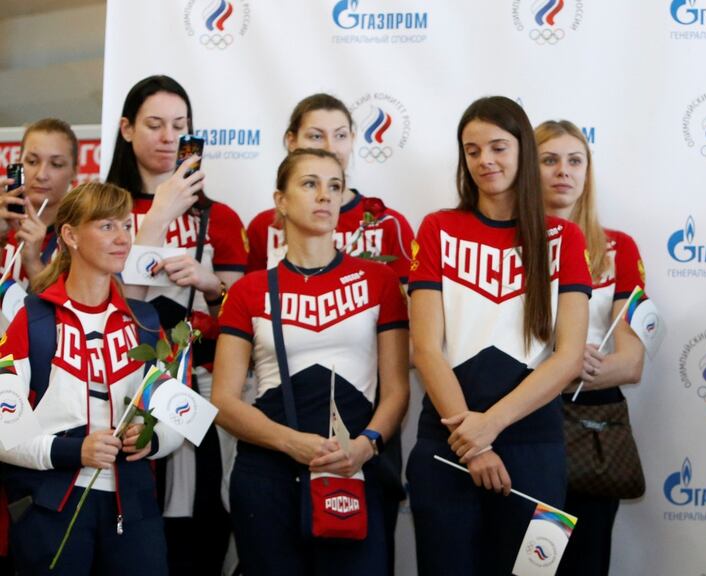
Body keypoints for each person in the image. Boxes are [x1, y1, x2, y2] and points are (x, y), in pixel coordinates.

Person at [406, 97, 591, 576]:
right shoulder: (437, 228)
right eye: (472, 150)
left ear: (524, 151)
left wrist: (491, 428)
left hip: (538, 447)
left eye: (498, 147)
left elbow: (569, 357)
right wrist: (475, 443)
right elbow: (424, 348)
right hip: (447, 443)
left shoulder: (564, 239)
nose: (484, 160)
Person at [212, 148, 409, 575]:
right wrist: (289, 442)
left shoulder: (380, 281)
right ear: (279, 201)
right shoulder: (248, 291)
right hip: (268, 475)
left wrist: (367, 444)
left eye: (334, 186)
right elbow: (224, 401)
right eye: (309, 184)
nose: (325, 196)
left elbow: (397, 390)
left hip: (354, 469)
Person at [0, 182, 184, 575]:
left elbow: (180, 416)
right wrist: (75, 451)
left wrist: (153, 440)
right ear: (69, 235)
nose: (122, 239)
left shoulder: (145, 322)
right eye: (106, 227)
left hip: (135, 513)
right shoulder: (30, 321)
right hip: (51, 511)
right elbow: (4, 430)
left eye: (126, 226)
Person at [105, 74, 247, 575]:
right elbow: (109, 301)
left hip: (200, 385)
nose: (168, 137)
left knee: (203, 515)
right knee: (133, 522)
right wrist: (156, 217)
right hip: (118, 384)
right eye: (154, 124)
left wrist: (211, 285)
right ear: (126, 129)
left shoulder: (222, 218)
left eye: (180, 126)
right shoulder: (100, 209)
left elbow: (241, 318)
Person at [533, 119, 645, 576]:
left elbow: (632, 361)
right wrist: (560, 365)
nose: (564, 171)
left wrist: (569, 368)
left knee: (585, 562)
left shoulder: (618, 248)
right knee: (530, 562)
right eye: (549, 160)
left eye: (575, 160)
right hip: (525, 420)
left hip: (591, 426)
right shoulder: (504, 245)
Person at [245, 93, 415, 281]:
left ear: (352, 139)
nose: (330, 147)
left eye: (340, 135)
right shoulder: (264, 227)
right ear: (291, 141)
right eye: (316, 136)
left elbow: (405, 305)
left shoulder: (389, 224)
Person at [0, 119, 80, 317]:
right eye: (32, 162)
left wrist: (34, 262)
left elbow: (70, 321)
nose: (41, 174)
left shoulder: (80, 239)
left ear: (74, 170)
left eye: (56, 164)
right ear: (19, 162)